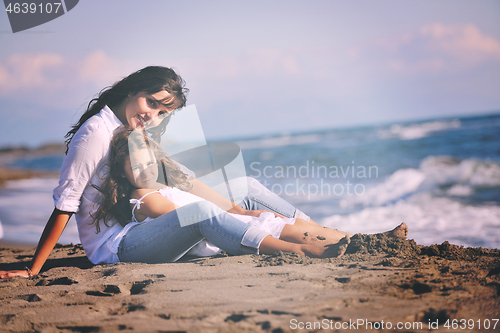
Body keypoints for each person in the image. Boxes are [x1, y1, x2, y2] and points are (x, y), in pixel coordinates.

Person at [0, 66, 408, 279]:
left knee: (245, 187)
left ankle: (345, 239)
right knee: (203, 215)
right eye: (150, 102)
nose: (153, 115)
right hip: (117, 245)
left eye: (163, 112)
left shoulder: (136, 131)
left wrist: (234, 204)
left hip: (145, 225)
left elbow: (177, 178)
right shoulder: (96, 133)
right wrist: (34, 268)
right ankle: (302, 251)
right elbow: (66, 202)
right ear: (132, 89)